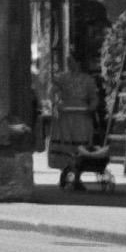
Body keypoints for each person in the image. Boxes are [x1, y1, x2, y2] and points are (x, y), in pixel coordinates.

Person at [47, 53, 101, 191]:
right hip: (66, 117)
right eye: (67, 61)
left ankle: (76, 177)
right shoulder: (61, 78)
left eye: (71, 61)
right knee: (66, 147)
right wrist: (56, 103)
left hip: (82, 118)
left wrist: (91, 107)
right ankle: (64, 175)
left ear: (78, 63)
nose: (69, 64)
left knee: (80, 148)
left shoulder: (87, 80)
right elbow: (51, 92)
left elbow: (94, 97)